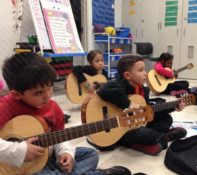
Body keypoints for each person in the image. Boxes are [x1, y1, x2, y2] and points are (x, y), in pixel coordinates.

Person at [0, 52, 131, 175]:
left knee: (91, 154)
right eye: (38, 93)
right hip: (17, 167)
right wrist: (20, 151)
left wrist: (66, 153)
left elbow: (59, 137)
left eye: (50, 87)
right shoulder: (6, 106)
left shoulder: (53, 107)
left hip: (46, 159)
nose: (47, 96)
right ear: (16, 94)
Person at [96, 55, 187, 156]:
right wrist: (128, 104)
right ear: (127, 75)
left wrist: (174, 106)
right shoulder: (119, 84)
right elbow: (105, 90)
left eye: (145, 70)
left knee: (166, 119)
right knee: (142, 134)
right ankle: (162, 137)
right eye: (141, 70)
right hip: (121, 129)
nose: (146, 73)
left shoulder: (143, 90)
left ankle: (156, 139)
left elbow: (148, 112)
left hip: (134, 124)